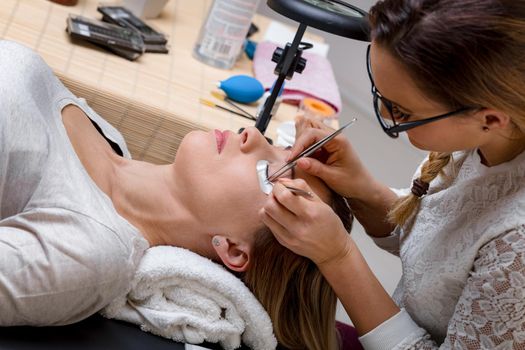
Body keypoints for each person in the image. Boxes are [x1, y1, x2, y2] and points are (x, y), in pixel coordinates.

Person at [0, 40, 354, 350]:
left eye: (272, 174)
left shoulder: (92, 254)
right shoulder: (111, 141)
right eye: (280, 146)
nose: (253, 135)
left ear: (232, 248)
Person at [260, 0, 525, 348]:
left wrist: (338, 256)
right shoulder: (488, 140)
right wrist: (362, 189)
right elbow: (439, 251)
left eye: (401, 110)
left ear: (490, 119)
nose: (385, 112)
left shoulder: (517, 246)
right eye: (380, 93)